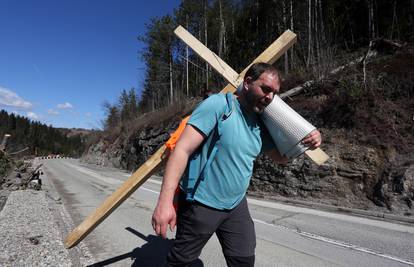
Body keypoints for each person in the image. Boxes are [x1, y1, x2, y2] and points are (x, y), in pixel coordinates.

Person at [152, 63, 322, 266]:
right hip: (201, 203)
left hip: (236, 206)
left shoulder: (259, 123)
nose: (269, 97)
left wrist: (308, 141)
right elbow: (182, 150)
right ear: (248, 83)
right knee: (181, 261)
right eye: (265, 89)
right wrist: (164, 202)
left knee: (243, 260)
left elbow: (282, 158)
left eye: (274, 93)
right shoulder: (219, 106)